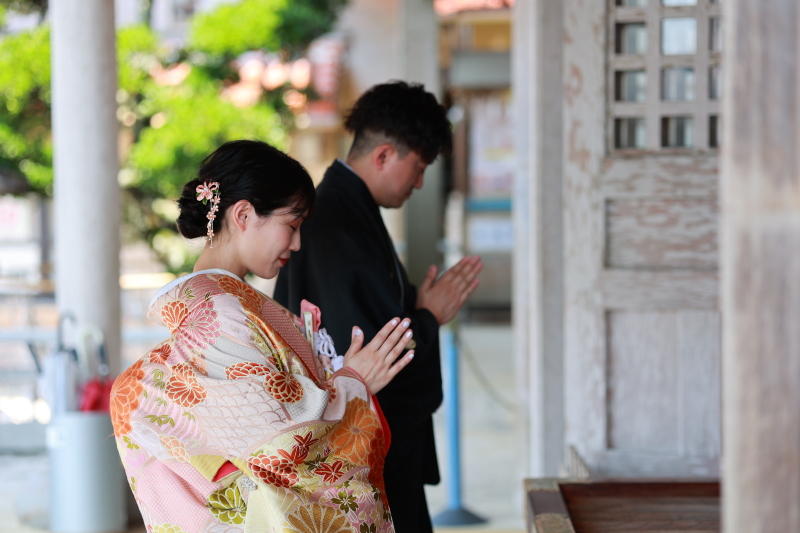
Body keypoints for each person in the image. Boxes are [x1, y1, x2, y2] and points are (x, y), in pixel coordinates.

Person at [110, 140, 416, 533]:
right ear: (243, 214)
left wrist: (335, 373)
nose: (297, 243)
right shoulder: (220, 315)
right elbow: (278, 450)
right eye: (291, 225)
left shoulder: (230, 306)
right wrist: (353, 385)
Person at [274, 81, 483, 533]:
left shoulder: (347, 209)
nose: (421, 182)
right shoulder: (337, 224)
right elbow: (368, 356)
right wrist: (428, 315)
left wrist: (420, 309)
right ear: (385, 155)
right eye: (420, 166)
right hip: (366, 453)